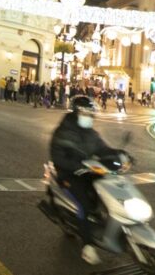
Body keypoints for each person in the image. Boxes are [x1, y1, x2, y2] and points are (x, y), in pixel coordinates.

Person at [49, 96, 129, 265]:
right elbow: (57, 156)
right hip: (69, 174)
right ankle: (87, 246)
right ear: (77, 113)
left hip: (87, 171)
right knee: (84, 204)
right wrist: (76, 166)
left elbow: (103, 149)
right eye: (86, 113)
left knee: (108, 189)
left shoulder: (90, 132)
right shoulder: (63, 132)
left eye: (90, 114)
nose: (89, 117)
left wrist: (119, 156)